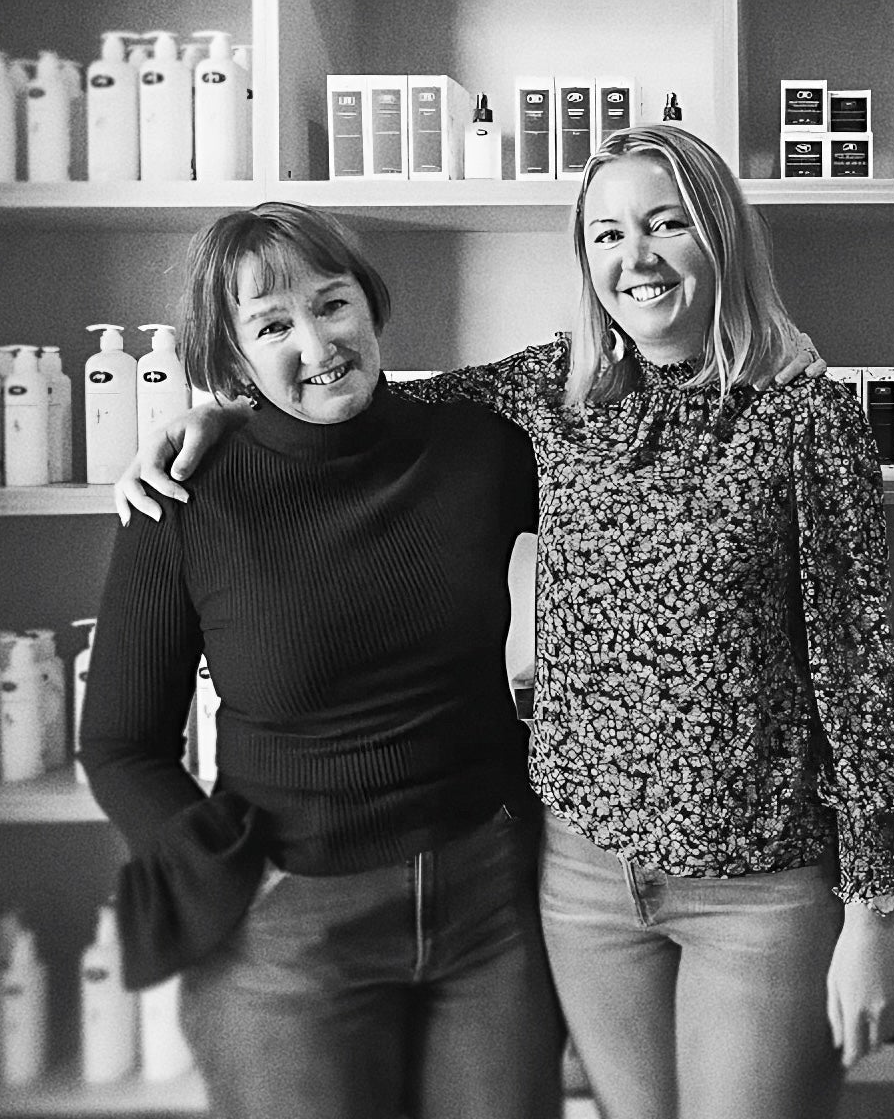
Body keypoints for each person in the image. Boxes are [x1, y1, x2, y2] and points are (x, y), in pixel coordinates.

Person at [121, 125, 894, 1119]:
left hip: (755, 875)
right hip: (581, 873)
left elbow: (856, 671)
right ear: (584, 258)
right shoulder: (552, 392)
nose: (636, 256)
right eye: (607, 233)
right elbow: (363, 407)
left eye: (667, 223)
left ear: (718, 233)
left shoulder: (806, 416)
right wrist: (221, 415)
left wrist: (875, 907)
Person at [80, 202, 561, 1119]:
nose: (316, 342)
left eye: (331, 304)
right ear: (233, 359)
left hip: (490, 912)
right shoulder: (186, 500)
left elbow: (626, 430)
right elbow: (120, 745)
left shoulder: (478, 447)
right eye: (271, 325)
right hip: (291, 926)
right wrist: (228, 872)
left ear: (370, 305)